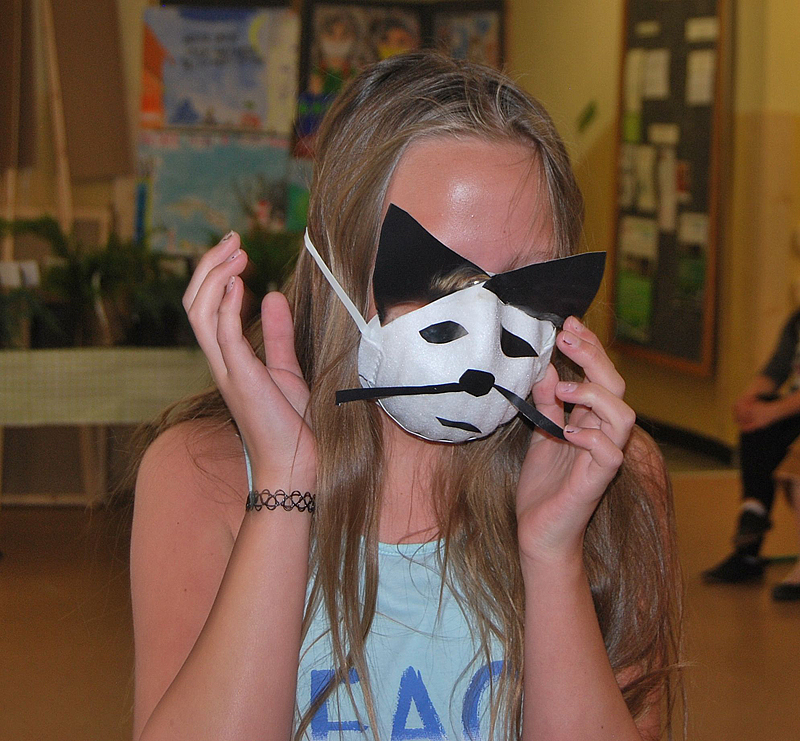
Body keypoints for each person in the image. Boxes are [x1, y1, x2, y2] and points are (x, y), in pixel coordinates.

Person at [129, 52, 682, 741]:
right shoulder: (202, 476)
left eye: (528, 278)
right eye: (439, 277)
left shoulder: (614, 479)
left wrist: (552, 554)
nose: (484, 329)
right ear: (337, 267)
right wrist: (283, 488)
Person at [703, 308, 800, 585]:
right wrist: (750, 402)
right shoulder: (796, 321)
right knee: (757, 428)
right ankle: (752, 520)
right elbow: (775, 370)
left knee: (768, 423)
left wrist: (772, 412)